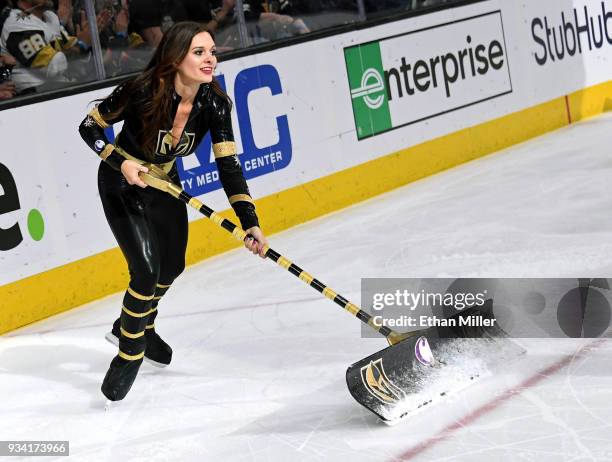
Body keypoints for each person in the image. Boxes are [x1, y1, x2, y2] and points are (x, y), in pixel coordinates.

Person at [78, 21, 267, 402]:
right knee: (145, 271)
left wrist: (251, 224)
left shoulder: (214, 103)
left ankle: (133, 325)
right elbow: (89, 126)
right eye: (199, 52)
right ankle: (129, 352)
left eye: (212, 51)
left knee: (172, 266)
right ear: (176, 57)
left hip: (165, 183)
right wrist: (120, 162)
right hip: (122, 182)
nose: (209, 59)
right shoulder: (142, 90)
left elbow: (229, 168)